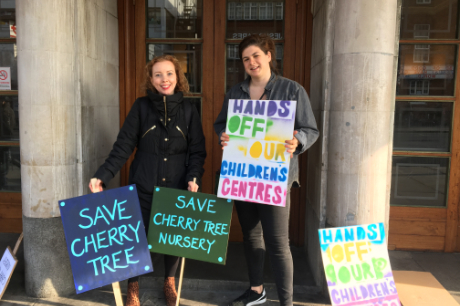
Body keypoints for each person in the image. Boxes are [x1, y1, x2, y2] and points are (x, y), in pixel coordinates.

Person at [89, 55, 206, 306]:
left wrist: (194, 177)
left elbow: (197, 151)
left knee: (173, 238)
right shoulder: (141, 107)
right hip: (143, 184)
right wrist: (102, 176)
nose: (164, 79)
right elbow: (123, 147)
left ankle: (169, 281)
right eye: (158, 75)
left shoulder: (189, 110)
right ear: (150, 80)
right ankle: (133, 285)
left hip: (175, 185)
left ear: (178, 77)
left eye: (169, 73)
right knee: (136, 237)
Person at [214, 34, 319, 306]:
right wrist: (224, 135)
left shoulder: (292, 90)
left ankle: (287, 303)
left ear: (269, 56)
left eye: (256, 56)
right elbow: (221, 125)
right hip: (243, 177)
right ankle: (256, 290)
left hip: (275, 179)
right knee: (251, 235)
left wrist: (298, 141)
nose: (251, 62)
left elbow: (311, 129)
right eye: (246, 59)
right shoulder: (235, 93)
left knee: (278, 243)